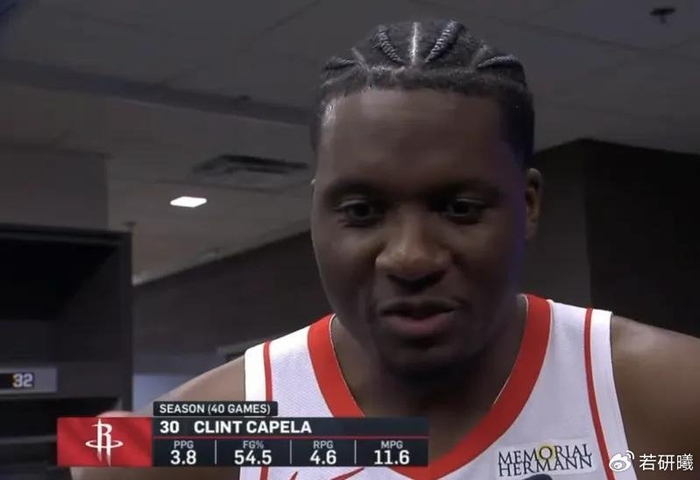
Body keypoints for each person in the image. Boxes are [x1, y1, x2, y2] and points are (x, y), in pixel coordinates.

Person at [73, 20, 700, 480]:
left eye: (460, 207)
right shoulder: (217, 431)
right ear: (316, 213)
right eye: (361, 211)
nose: (410, 257)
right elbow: (95, 455)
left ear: (528, 205)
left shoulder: (667, 397)